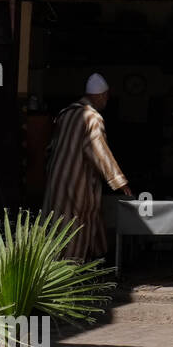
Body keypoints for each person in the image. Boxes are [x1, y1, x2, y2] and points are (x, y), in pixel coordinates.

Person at [41, 73, 131, 261]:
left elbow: (50, 147)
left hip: (56, 183)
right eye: (105, 96)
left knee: (55, 225)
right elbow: (100, 153)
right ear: (99, 96)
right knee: (75, 227)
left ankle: (52, 273)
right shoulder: (92, 118)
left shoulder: (64, 114)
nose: (106, 99)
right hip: (77, 185)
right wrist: (120, 182)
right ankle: (71, 277)